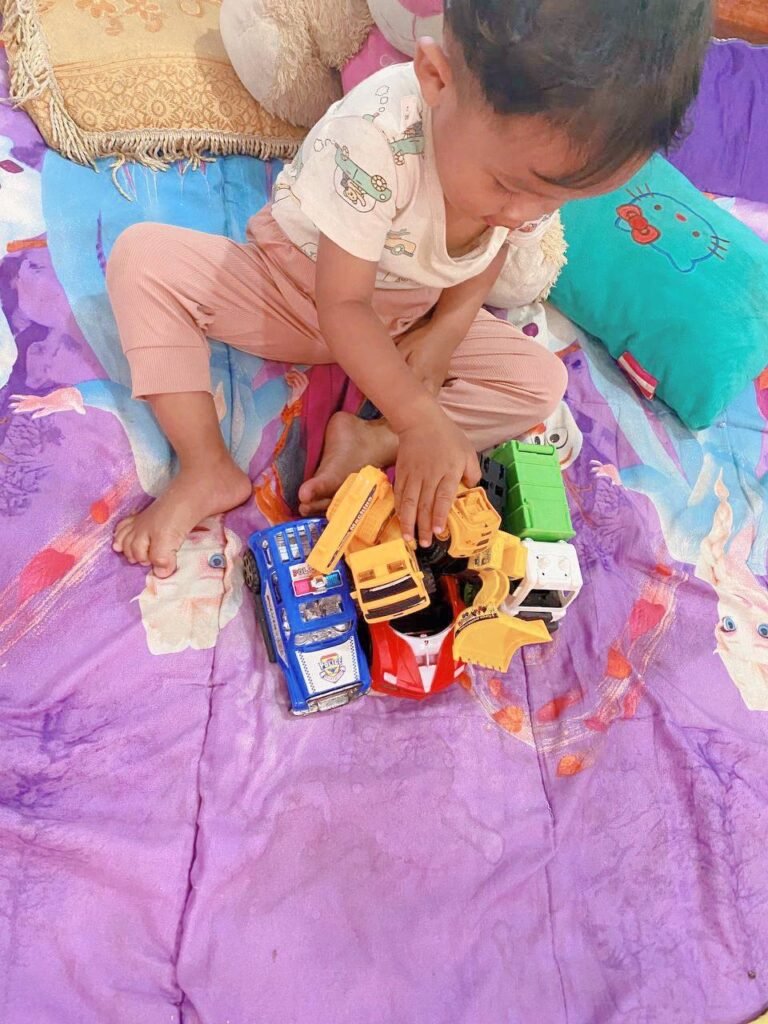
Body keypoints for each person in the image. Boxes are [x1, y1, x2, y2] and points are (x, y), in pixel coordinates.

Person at [107, 0, 712, 577]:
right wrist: (421, 415)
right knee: (141, 259)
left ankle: (371, 437)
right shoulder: (374, 138)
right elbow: (341, 304)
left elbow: (489, 251)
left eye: (555, 198)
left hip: (407, 319)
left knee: (540, 381)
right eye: (506, 185)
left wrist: (447, 332)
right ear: (436, 78)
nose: (523, 212)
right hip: (296, 293)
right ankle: (207, 465)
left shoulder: (534, 169)